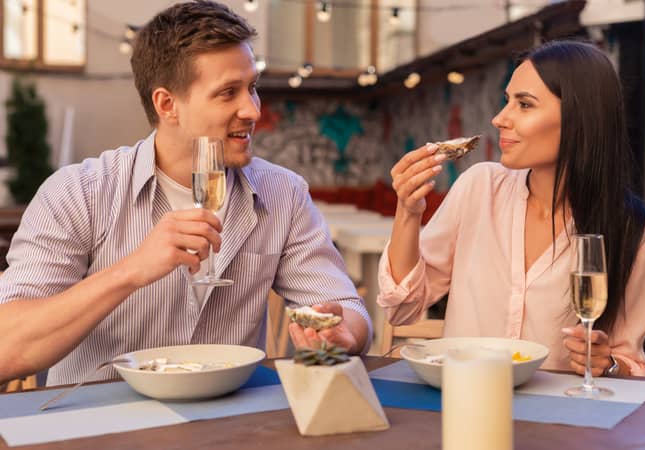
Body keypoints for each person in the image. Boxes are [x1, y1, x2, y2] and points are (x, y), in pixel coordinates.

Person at [0, 0, 371, 386]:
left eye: (252, 88)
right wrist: (130, 271)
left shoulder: (284, 194)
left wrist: (345, 333)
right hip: (101, 428)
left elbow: (346, 309)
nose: (253, 110)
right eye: (229, 92)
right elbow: (6, 350)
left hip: (225, 429)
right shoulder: (79, 193)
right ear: (167, 104)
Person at [378, 40, 645, 377]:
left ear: (579, 118)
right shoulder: (479, 188)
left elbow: (630, 364)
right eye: (507, 101)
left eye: (524, 105)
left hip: (559, 418)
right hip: (464, 399)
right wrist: (408, 212)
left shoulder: (633, 230)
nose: (500, 119)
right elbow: (402, 309)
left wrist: (608, 364)